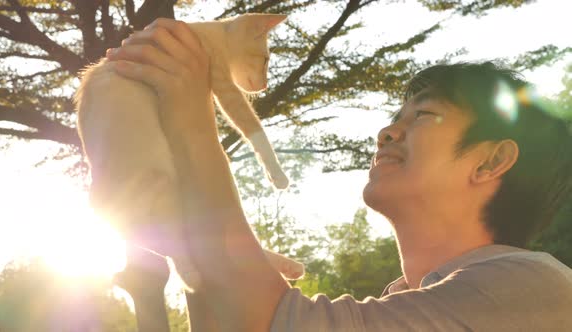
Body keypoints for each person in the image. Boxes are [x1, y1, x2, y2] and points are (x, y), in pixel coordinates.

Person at [105, 18, 572, 331]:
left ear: (490, 162)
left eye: (423, 116)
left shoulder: (531, 289)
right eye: (396, 116)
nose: (387, 132)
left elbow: (265, 319)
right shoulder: (405, 300)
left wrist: (187, 109)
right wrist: (205, 256)